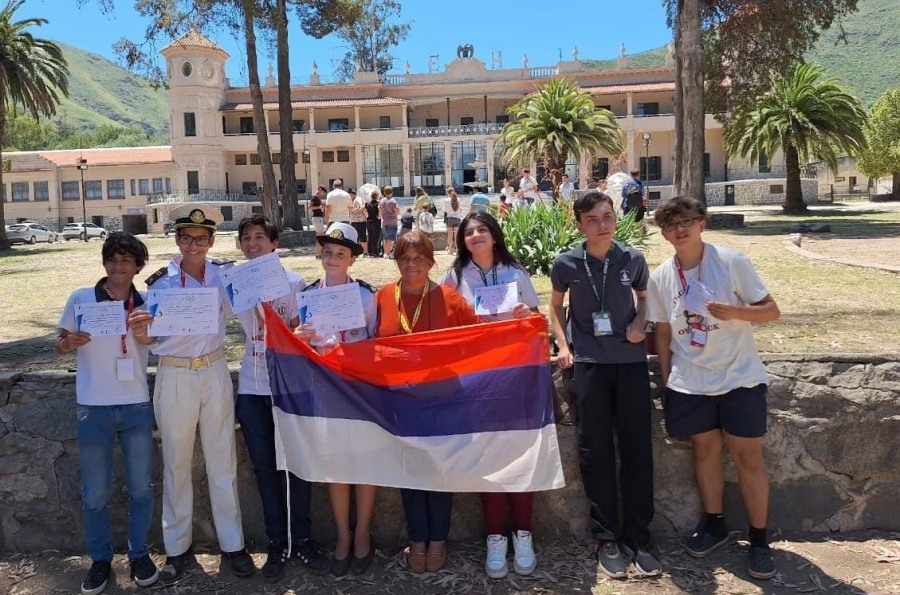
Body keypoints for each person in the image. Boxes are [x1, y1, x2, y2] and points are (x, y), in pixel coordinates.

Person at [646, 196, 781, 581]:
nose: (680, 229)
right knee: (704, 452)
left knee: (747, 457)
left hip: (739, 376)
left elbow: (771, 310)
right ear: (664, 234)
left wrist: (737, 312)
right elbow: (665, 330)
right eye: (671, 225)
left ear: (702, 223)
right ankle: (715, 524)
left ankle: (759, 541)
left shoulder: (731, 262)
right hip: (691, 382)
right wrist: (671, 378)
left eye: (687, 221)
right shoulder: (661, 276)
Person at [548, 191, 659, 579]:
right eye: (593, 219)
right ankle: (607, 538)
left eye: (608, 216)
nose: (603, 224)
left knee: (636, 451)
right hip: (590, 366)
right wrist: (564, 346)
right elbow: (555, 308)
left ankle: (640, 537)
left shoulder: (632, 259)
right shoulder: (566, 263)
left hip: (629, 364)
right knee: (595, 452)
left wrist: (639, 324)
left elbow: (647, 301)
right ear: (580, 224)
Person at [145, 204, 254, 582]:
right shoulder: (160, 283)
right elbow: (148, 335)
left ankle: (233, 545)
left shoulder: (224, 277)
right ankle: (176, 549)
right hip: (174, 374)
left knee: (222, 459)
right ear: (177, 240)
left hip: (213, 369)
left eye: (202, 239)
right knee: (176, 463)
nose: (194, 245)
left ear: (211, 241)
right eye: (187, 239)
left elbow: (251, 306)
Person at [57, 232, 158, 595]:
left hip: (135, 405)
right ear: (105, 262)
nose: (119, 266)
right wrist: (69, 342)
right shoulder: (82, 298)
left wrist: (147, 335)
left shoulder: (148, 302)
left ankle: (139, 553)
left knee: (141, 489)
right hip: (93, 408)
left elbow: (156, 345)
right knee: (95, 493)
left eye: (127, 261)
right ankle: (100, 560)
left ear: (137, 266)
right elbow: (59, 344)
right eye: (113, 259)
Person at [375, 232, 482, 574]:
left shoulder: (450, 299)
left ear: (431, 262)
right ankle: (417, 538)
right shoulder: (382, 297)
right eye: (404, 258)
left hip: (442, 402)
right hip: (401, 401)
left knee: (438, 474)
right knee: (410, 474)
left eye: (418, 258)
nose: (411, 265)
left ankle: (438, 540)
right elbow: (367, 344)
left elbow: (480, 339)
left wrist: (521, 323)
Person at [439, 212, 538, 578]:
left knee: (520, 457)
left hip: (514, 378)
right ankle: (496, 536)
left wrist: (526, 314)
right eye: (469, 232)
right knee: (489, 459)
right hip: (476, 382)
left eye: (482, 230)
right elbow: (440, 324)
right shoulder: (453, 277)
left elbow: (537, 319)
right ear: (462, 240)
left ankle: (523, 533)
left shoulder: (516, 273)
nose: (476, 235)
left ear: (494, 236)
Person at [232, 215, 329, 583]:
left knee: (296, 466)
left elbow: (306, 329)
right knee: (264, 470)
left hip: (289, 388)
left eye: (260, 237)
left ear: (274, 244)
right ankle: (276, 543)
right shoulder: (235, 285)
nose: (253, 243)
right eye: (246, 238)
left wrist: (299, 333)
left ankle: (301, 539)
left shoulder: (294, 282)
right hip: (253, 389)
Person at [294, 222, 379, 577]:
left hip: (359, 391)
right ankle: (343, 535)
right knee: (336, 468)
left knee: (364, 465)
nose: (332, 258)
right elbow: (301, 348)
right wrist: (298, 338)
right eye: (327, 252)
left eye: (341, 254)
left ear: (352, 260)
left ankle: (362, 534)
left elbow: (376, 341)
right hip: (325, 392)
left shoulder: (366, 297)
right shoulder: (307, 295)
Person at [379, 185, 400, 258]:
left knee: (385, 238)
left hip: (384, 221)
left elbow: (380, 212)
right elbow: (397, 212)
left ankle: (385, 253)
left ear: (384, 192)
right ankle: (389, 253)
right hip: (392, 221)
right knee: (391, 239)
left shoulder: (381, 201)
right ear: (392, 192)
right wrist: (394, 213)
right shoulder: (393, 201)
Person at [348, 187, 369, 256]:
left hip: (359, 221)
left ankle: (365, 252)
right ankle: (356, 252)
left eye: (350, 194)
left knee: (362, 237)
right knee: (355, 237)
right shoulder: (352, 200)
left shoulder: (358, 200)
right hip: (354, 221)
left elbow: (363, 207)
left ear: (353, 194)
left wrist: (354, 211)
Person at [443, 188, 463, 255]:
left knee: (450, 235)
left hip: (449, 218)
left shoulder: (446, 200)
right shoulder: (459, 200)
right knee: (456, 235)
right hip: (457, 218)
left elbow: (444, 210)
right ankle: (457, 249)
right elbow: (460, 209)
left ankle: (450, 250)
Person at [310, 186, 327, 258]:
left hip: (319, 218)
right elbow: (310, 207)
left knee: (320, 235)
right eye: (323, 192)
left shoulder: (319, 199)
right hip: (316, 218)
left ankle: (319, 253)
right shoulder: (314, 198)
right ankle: (318, 253)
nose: (323, 194)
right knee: (320, 235)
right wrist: (319, 207)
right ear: (320, 190)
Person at [365, 188, 382, 258]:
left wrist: (366, 216)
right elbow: (379, 213)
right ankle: (375, 252)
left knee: (370, 236)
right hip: (376, 222)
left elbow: (364, 212)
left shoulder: (367, 204)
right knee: (375, 237)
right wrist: (379, 217)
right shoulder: (378, 204)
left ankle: (370, 252)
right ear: (377, 196)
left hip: (369, 221)